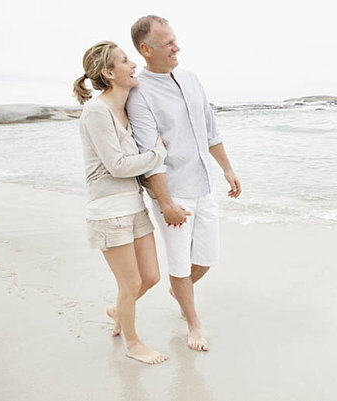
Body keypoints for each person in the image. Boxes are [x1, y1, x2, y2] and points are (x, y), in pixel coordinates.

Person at [126, 15, 242, 352]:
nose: (177, 47)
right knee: (178, 262)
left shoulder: (190, 78)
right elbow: (151, 154)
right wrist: (165, 203)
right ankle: (193, 323)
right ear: (146, 50)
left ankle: (180, 290)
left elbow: (210, 129)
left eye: (175, 39)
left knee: (207, 258)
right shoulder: (140, 94)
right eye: (167, 44)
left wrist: (227, 169)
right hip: (173, 191)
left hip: (204, 185)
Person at [73, 41, 175, 364]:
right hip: (109, 211)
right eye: (125, 60)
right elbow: (116, 165)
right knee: (130, 282)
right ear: (108, 72)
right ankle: (133, 343)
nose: (133, 64)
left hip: (134, 205)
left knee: (150, 277)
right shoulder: (96, 111)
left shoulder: (127, 105)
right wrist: (157, 154)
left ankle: (119, 309)